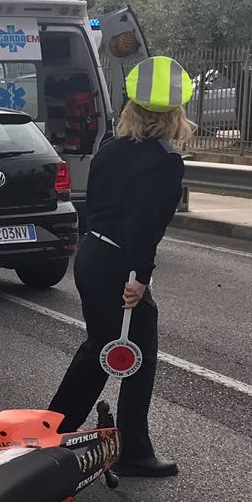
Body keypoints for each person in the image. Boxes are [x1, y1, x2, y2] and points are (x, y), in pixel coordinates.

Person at [48, 56, 196, 478]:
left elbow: (97, 208)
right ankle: (132, 450)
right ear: (174, 113)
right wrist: (139, 278)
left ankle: (54, 428)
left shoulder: (110, 150)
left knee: (100, 347)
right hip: (118, 262)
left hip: (92, 254)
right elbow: (143, 225)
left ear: (131, 106)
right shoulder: (164, 161)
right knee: (138, 353)